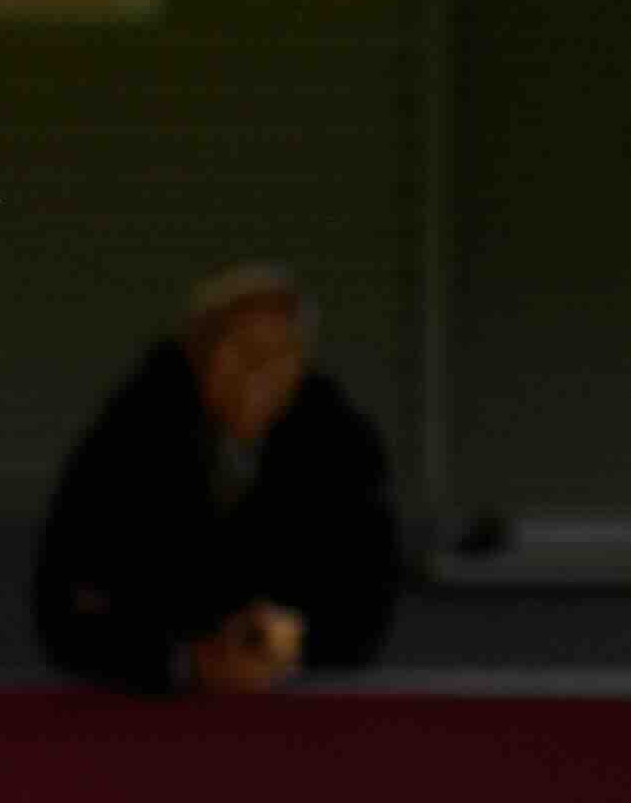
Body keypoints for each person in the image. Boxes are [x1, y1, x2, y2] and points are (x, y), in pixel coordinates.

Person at [32, 265, 401, 698]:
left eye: (281, 352)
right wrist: (184, 660)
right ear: (198, 352)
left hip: (298, 714)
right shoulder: (125, 443)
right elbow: (69, 604)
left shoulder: (342, 449)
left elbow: (366, 598)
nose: (259, 368)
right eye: (241, 348)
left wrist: (292, 637)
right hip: (143, 714)